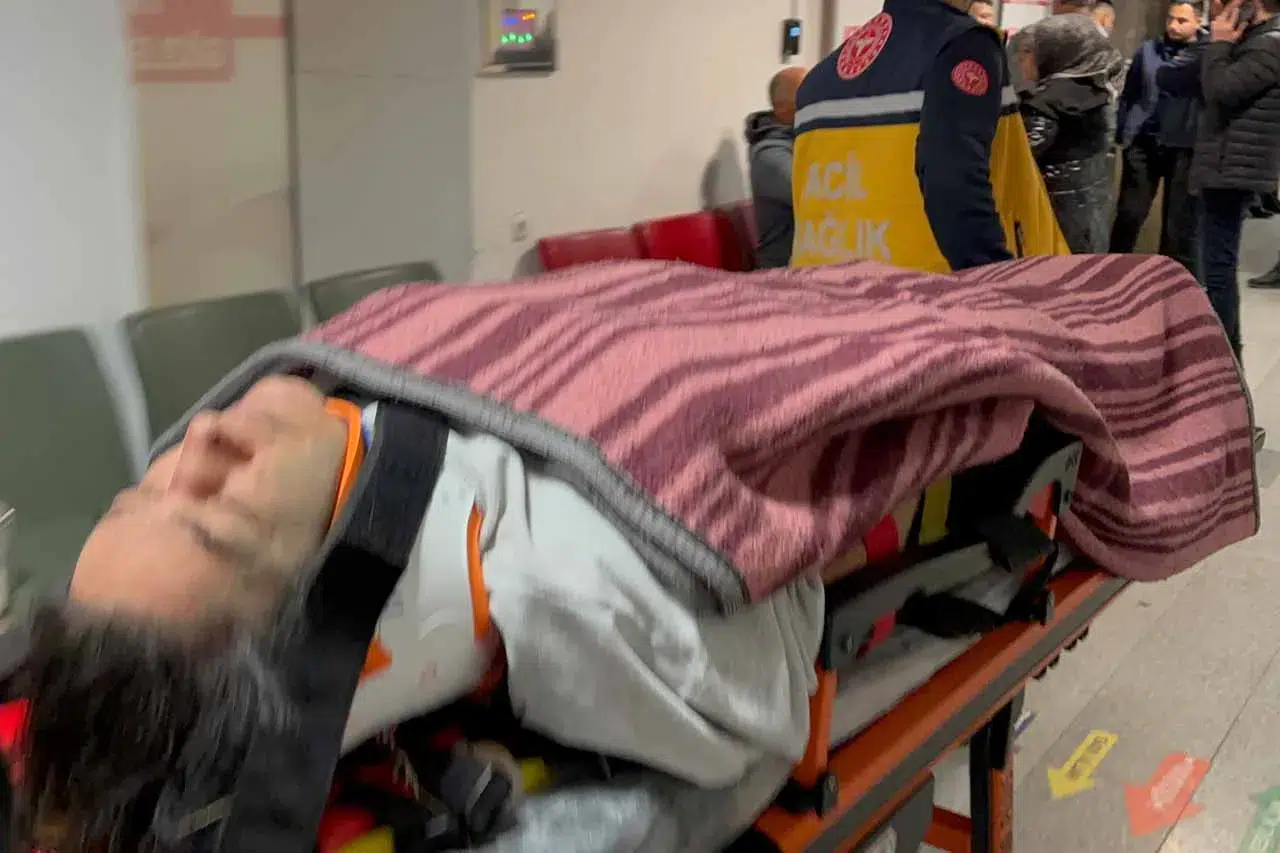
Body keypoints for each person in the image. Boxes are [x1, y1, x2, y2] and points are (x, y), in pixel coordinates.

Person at [12, 375, 822, 850]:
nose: (199, 439)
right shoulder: (578, 594)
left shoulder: (314, 430)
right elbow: (769, 705)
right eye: (214, 517)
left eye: (137, 495)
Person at [789, 0, 1070, 273]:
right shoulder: (962, 46)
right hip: (931, 287)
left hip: (826, 283)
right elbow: (952, 174)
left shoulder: (818, 81)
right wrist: (993, 276)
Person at [1157, 0, 1280, 362]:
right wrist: (1218, 45)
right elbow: (1174, 78)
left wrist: (1221, 43)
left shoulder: (1270, 44)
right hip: (1225, 164)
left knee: (1219, 268)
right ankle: (1222, 354)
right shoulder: (1252, 40)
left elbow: (1220, 90)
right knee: (1216, 264)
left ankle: (1226, 359)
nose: (1217, 9)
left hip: (1232, 168)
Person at [1109, 0, 1206, 277]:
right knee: (1130, 212)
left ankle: (1169, 280)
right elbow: (1131, 93)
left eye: (1182, 21)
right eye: (1170, 19)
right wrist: (1123, 131)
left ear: (1198, 22)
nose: (1174, 26)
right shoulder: (1148, 50)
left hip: (1184, 145)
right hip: (1144, 140)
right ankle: (1112, 270)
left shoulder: (1207, 54)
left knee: (1177, 222)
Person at [1017, 14, 1123, 252]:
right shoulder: (1095, 91)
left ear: (1054, 54)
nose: (1021, 58)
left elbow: (1019, 158)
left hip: (1053, 216)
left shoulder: (1046, 104)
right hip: (1091, 212)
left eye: (1029, 51)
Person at [745, 66, 808, 268]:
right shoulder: (769, 155)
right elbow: (816, 196)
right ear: (781, 109)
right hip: (782, 274)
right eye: (807, 99)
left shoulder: (804, 141)